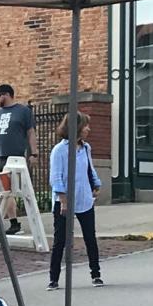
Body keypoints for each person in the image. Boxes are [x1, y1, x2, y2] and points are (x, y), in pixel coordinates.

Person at [47, 111, 104, 290]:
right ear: (76, 127)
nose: (88, 129)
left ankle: (96, 274)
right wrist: (62, 200)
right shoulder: (59, 150)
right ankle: (54, 278)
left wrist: (96, 184)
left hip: (84, 198)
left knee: (90, 237)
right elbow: (56, 177)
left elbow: (90, 168)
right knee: (60, 240)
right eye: (85, 125)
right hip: (64, 201)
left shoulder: (86, 148)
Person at [0, 84, 38, 235]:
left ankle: (7, 222)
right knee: (1, 192)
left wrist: (34, 153)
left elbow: (30, 132)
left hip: (14, 157)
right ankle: (8, 222)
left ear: (6, 94)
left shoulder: (23, 111)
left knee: (8, 190)